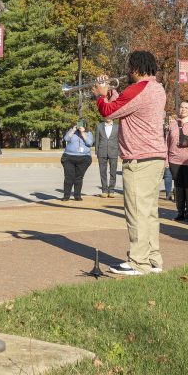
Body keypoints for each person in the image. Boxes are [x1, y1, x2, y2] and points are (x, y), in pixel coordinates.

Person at [93, 51, 167, 276]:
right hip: (154, 158)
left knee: (136, 212)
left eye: (129, 67)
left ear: (136, 68)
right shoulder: (158, 88)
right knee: (149, 213)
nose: (127, 71)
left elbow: (108, 110)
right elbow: (127, 105)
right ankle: (153, 259)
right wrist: (113, 92)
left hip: (139, 159)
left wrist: (100, 95)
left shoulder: (138, 89)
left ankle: (138, 262)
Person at [60, 119, 93, 201]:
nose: (79, 125)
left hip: (84, 158)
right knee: (68, 177)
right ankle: (66, 196)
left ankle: (77, 195)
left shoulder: (88, 133)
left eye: (81, 124)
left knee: (79, 177)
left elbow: (89, 143)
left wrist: (83, 133)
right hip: (69, 157)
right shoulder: (71, 131)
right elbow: (66, 138)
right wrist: (73, 130)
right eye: (78, 124)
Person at [95, 117, 120, 198]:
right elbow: (97, 140)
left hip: (114, 151)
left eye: (110, 115)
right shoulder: (99, 126)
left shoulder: (117, 126)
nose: (108, 117)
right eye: (106, 115)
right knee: (103, 172)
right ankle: (104, 191)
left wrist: (119, 151)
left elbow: (120, 139)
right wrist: (97, 152)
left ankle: (112, 190)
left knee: (113, 172)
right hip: (102, 151)